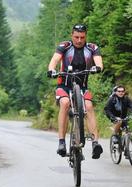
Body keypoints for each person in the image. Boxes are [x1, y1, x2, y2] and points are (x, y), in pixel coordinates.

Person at [47, 24, 103, 159]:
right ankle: (61, 142)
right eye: (76, 37)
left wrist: (98, 67)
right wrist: (51, 69)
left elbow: (99, 62)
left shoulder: (92, 48)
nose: (79, 40)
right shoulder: (64, 46)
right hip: (64, 86)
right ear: (72, 35)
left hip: (82, 87)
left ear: (86, 36)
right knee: (65, 103)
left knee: (89, 106)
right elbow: (54, 60)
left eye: (82, 37)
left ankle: (95, 143)